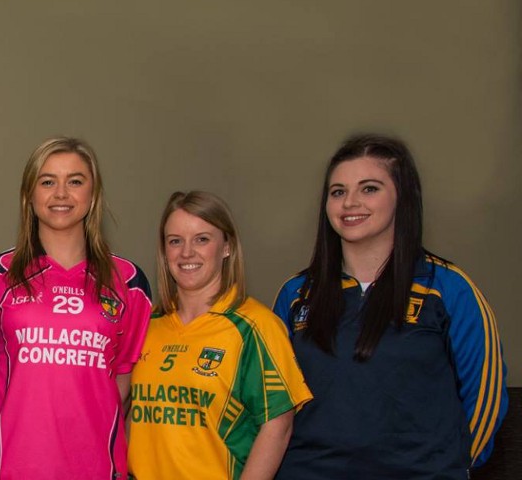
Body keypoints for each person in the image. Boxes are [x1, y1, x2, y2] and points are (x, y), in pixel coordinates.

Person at [272, 134, 506, 479]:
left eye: (369, 188)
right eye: (338, 192)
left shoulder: (448, 288)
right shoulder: (296, 294)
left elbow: (485, 397)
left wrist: (449, 466)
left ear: (402, 197)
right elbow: (272, 402)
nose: (350, 202)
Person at [0, 137, 153, 480]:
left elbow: (122, 380)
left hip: (94, 468)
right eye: (47, 182)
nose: (61, 194)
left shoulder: (128, 281)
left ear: (93, 194)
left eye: (75, 181)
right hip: (5, 468)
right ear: (29, 195)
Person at [127, 191, 311, 480]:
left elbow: (278, 425)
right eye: (175, 241)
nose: (186, 252)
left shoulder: (255, 326)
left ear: (227, 247)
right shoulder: (146, 324)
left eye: (202, 239)